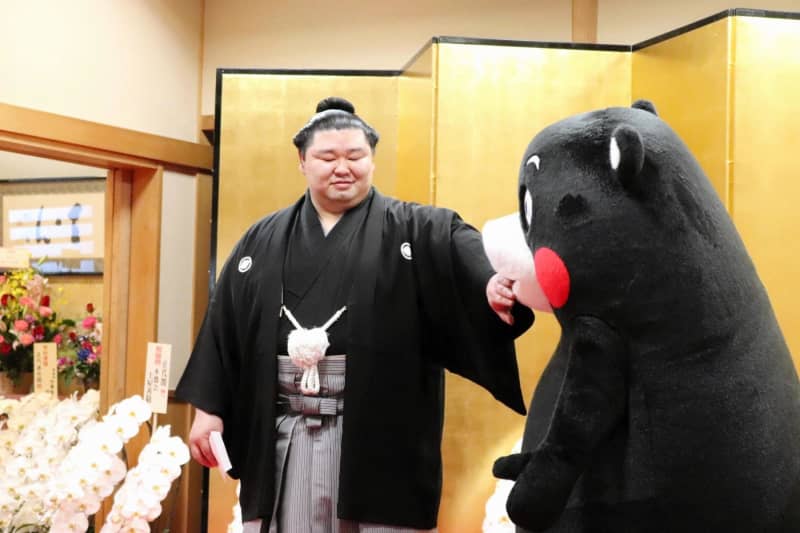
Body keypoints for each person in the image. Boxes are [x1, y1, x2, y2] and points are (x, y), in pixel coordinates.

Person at [175, 96, 533, 533]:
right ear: (302, 161)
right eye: (327, 157)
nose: (342, 168)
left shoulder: (416, 230)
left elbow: (470, 257)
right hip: (285, 431)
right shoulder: (262, 239)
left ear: (372, 160)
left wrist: (491, 286)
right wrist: (209, 410)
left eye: (355, 156)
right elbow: (224, 327)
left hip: (380, 432)